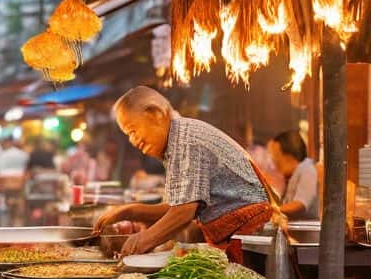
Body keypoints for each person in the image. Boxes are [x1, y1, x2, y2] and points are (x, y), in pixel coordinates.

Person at [95, 86, 271, 254]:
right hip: (235, 237)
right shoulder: (176, 140)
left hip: (252, 242)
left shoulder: (186, 140)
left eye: (133, 131)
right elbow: (176, 207)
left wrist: (143, 240)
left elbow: (184, 212)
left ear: (155, 114)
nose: (133, 141)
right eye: (128, 135)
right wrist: (129, 211)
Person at [269, 130, 319, 219]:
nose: (274, 161)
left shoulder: (307, 169)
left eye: (276, 155)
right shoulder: (295, 174)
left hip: (305, 231)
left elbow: (300, 204)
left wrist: (272, 210)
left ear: (288, 156)